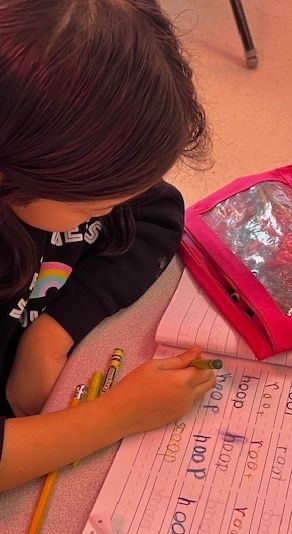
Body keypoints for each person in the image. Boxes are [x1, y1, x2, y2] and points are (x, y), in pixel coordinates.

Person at [0, 0, 217, 491]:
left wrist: (53, 331)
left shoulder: (61, 180)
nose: (112, 212)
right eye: (90, 211)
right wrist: (118, 416)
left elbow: (155, 214)